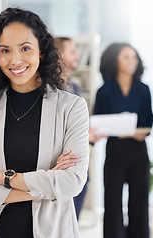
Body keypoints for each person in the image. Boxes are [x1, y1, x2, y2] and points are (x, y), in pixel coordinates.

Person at [0, 8, 89, 238]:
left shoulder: (71, 107)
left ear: (42, 53)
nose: (15, 60)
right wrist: (46, 185)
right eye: (5, 50)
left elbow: (71, 182)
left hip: (51, 232)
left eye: (25, 48)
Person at [94, 43, 153, 238]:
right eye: (126, 57)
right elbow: (97, 122)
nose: (132, 61)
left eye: (134, 57)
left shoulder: (144, 90)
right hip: (115, 152)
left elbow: (148, 122)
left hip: (138, 152)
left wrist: (135, 131)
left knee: (139, 203)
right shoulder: (104, 91)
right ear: (115, 61)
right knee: (112, 204)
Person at [55, 36, 87, 220]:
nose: (77, 57)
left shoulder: (74, 87)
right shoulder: (50, 89)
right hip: (60, 163)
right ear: (59, 55)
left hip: (76, 160)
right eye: (72, 52)